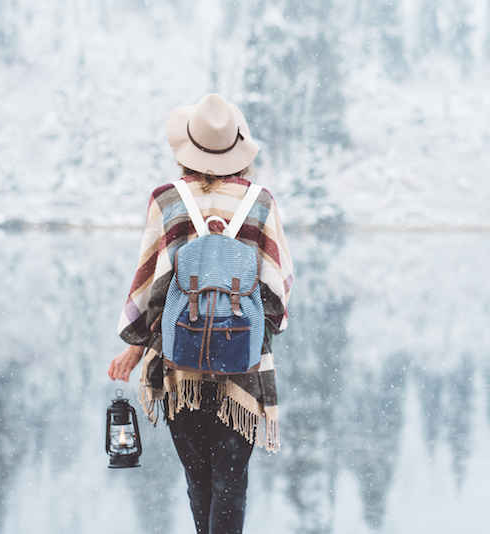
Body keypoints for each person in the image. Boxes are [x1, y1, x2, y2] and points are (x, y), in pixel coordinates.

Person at [108, 93, 293, 534]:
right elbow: (278, 294)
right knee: (232, 484)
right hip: (243, 371)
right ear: (238, 149)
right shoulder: (260, 202)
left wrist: (135, 349)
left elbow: (150, 286)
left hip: (178, 365)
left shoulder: (167, 200)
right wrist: (238, 327)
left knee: (199, 483)